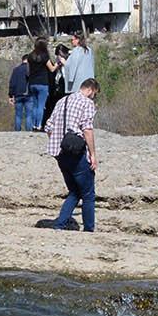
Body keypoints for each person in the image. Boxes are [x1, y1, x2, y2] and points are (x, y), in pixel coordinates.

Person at [42, 77, 99, 232]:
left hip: (59, 152)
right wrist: (93, 154)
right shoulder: (87, 103)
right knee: (88, 193)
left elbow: (48, 127)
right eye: (94, 94)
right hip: (76, 152)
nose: (93, 98)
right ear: (90, 90)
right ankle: (89, 229)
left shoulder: (62, 101)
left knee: (74, 191)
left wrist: (58, 141)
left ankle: (60, 224)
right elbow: (87, 129)